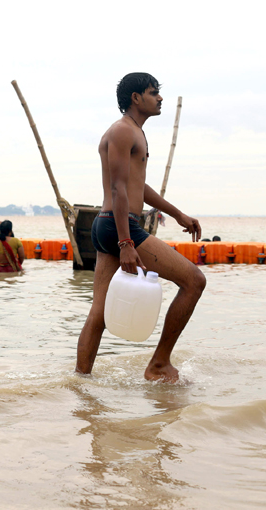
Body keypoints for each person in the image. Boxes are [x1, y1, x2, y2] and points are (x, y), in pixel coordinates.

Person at [76, 73, 206, 383]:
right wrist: (125, 243)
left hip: (108, 224)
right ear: (136, 98)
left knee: (99, 313)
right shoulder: (123, 131)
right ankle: (159, 364)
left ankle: (80, 382)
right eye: (153, 92)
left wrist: (177, 214)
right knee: (194, 281)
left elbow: (138, 186)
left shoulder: (133, 132)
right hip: (119, 226)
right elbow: (119, 188)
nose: (159, 98)